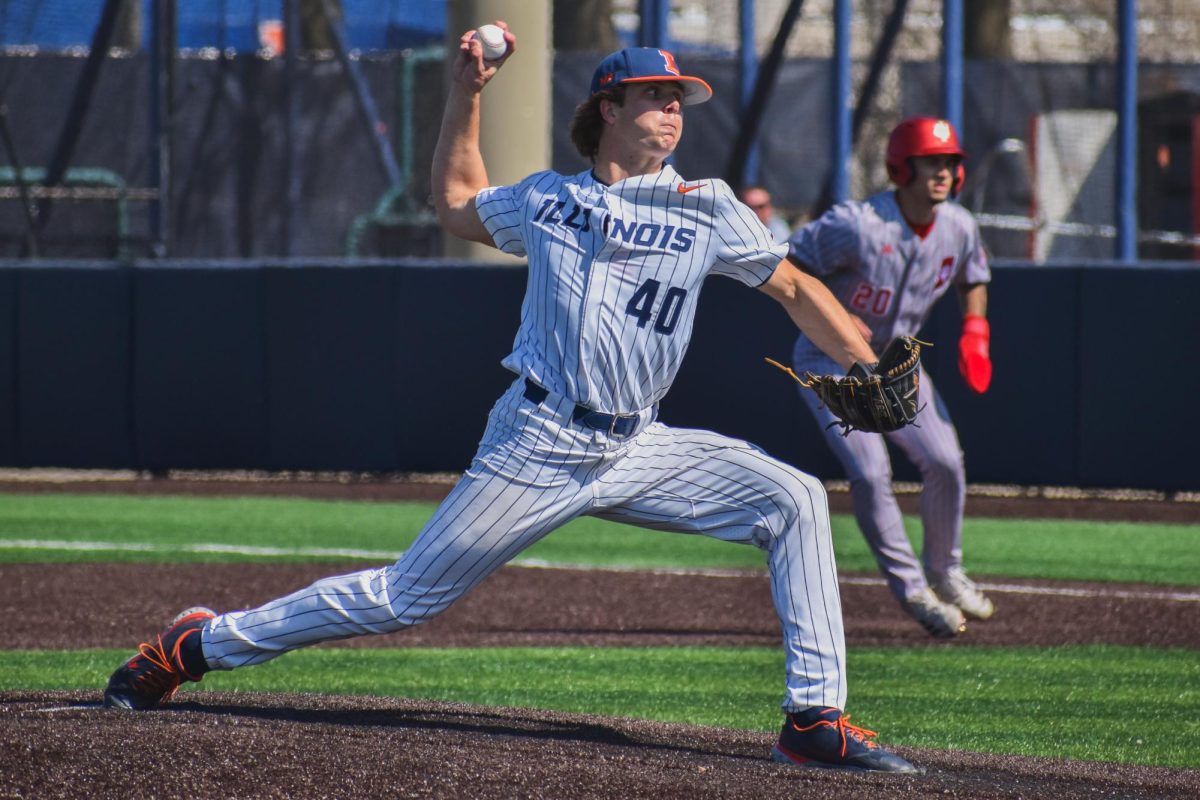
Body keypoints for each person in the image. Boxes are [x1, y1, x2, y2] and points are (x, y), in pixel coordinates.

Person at [102, 27, 919, 774]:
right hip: (540, 441)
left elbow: (796, 287)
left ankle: (813, 720)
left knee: (797, 499)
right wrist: (469, 90)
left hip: (639, 445)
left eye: (680, 99)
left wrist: (868, 361)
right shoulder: (547, 200)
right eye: (656, 96)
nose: (674, 109)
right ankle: (199, 644)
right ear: (608, 107)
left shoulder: (709, 207)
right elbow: (456, 204)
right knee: (403, 598)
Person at [785, 117, 994, 639]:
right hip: (829, 361)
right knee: (872, 472)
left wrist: (975, 329)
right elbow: (789, 262)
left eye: (950, 163)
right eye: (932, 162)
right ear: (903, 166)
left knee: (946, 461)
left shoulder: (959, 225)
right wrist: (830, 311)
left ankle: (946, 572)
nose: (943, 172)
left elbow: (974, 275)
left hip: (898, 362)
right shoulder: (857, 224)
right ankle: (913, 591)